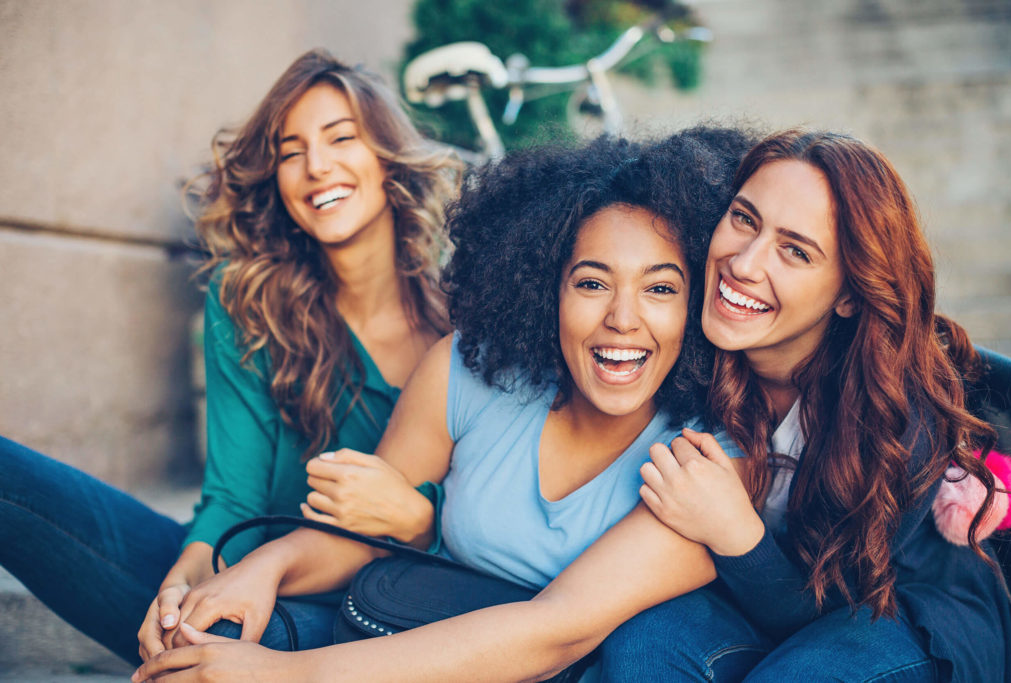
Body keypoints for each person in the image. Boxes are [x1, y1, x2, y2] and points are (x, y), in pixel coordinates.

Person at [131, 128, 757, 682]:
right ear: (546, 290)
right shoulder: (471, 369)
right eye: (591, 283)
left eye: (660, 289)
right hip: (419, 642)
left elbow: (556, 632)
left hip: (573, 665)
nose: (622, 319)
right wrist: (264, 568)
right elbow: (366, 532)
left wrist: (287, 675)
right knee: (209, 647)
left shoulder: (713, 458)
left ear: (700, 297)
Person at [0, 48, 459, 664]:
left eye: (340, 138)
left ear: (388, 159)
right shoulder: (252, 301)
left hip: (378, 617)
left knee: (223, 641)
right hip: (242, 564)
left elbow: (498, 531)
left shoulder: (464, 321)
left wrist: (417, 520)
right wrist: (182, 580)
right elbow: (232, 499)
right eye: (291, 152)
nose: (316, 167)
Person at [598, 129, 1011, 681]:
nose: (743, 264)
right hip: (745, 604)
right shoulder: (688, 338)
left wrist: (734, 531)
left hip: (898, 612)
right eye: (745, 219)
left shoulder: (899, 411)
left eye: (795, 251)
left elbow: (830, 604)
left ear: (848, 293)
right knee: (641, 646)